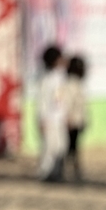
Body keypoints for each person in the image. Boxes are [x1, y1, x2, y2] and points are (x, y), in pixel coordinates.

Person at [37, 45, 68, 182]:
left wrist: (65, 114)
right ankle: (45, 173)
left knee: (60, 146)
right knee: (48, 148)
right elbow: (43, 101)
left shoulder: (60, 77)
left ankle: (57, 171)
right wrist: (42, 118)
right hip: (49, 118)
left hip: (59, 118)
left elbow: (62, 98)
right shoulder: (46, 79)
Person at [63, 55, 87, 182]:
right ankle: (68, 171)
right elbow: (68, 103)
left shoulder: (78, 83)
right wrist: (68, 118)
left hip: (77, 121)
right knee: (70, 148)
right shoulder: (70, 83)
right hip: (71, 121)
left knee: (74, 147)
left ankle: (75, 172)